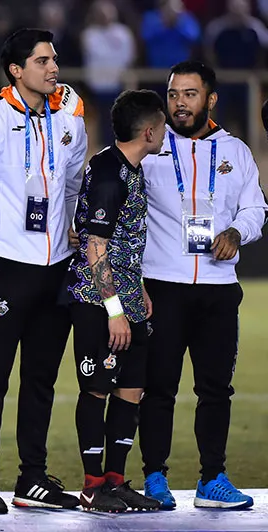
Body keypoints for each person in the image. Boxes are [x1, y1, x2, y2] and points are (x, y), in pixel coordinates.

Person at [0, 28, 87, 514]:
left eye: (54, 59)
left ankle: (32, 477)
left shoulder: (70, 117)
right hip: (8, 268)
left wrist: (72, 230)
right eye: (42, 61)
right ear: (16, 70)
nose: (54, 68)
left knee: (41, 380)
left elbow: (73, 183)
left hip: (57, 268)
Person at [138, 61, 267, 510]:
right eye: (173, 94)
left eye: (190, 94)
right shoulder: (149, 147)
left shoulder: (237, 151)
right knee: (159, 388)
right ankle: (154, 477)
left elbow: (255, 209)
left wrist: (236, 232)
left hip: (218, 287)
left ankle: (212, 478)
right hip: (163, 286)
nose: (179, 103)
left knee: (215, 390)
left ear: (210, 99)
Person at [65, 90, 165, 513]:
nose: (164, 132)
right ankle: (92, 487)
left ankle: (115, 481)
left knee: (131, 389)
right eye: (161, 126)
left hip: (127, 297)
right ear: (149, 132)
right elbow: (95, 247)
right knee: (97, 390)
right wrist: (114, 311)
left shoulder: (127, 167)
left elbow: (123, 239)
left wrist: (136, 287)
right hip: (99, 303)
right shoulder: (109, 173)